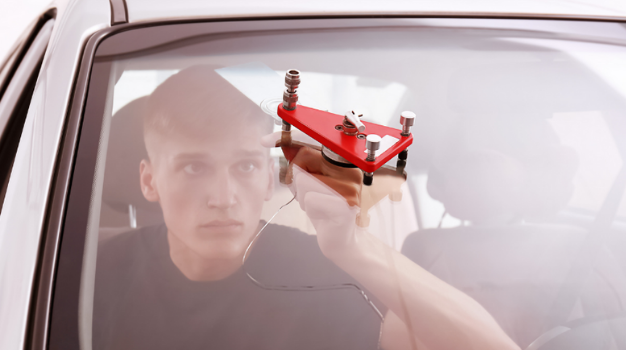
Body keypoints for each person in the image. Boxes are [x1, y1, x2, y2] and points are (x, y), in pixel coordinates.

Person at [93, 65, 519, 350]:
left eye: (244, 165)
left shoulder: (320, 273)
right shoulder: (89, 275)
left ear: (268, 178)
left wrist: (353, 247)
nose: (223, 195)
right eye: (192, 168)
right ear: (149, 180)